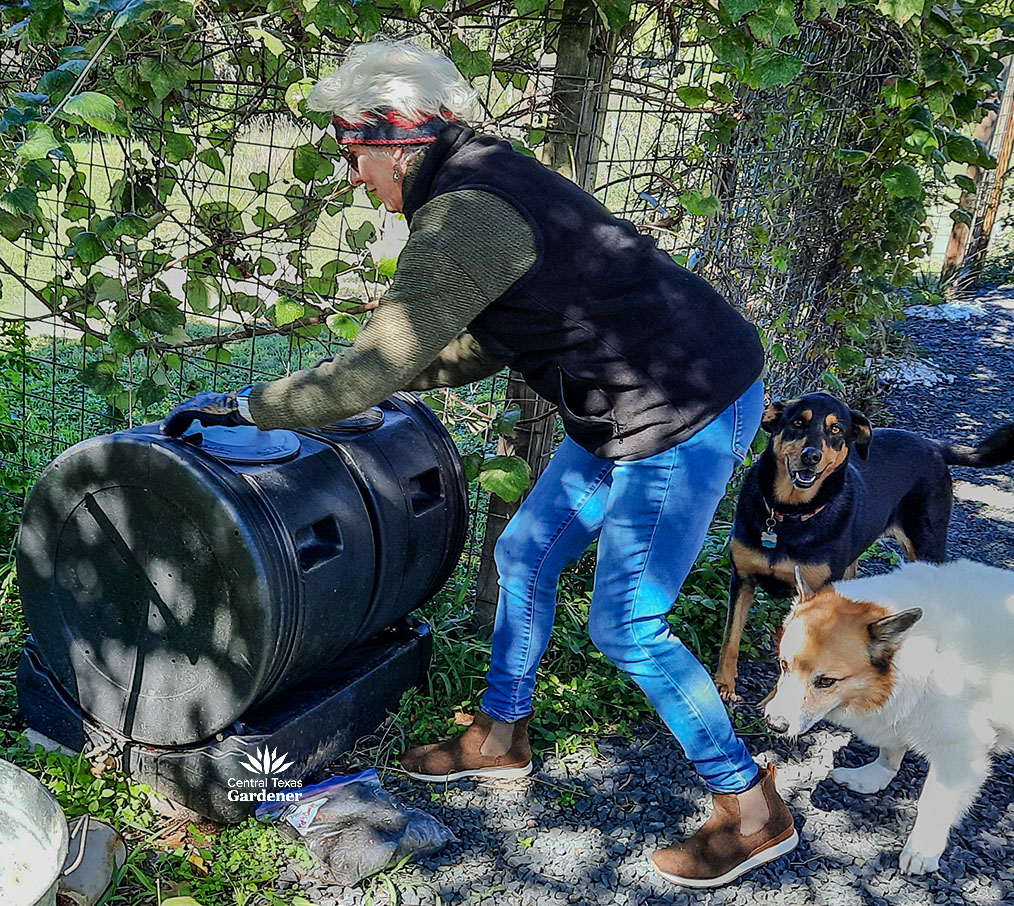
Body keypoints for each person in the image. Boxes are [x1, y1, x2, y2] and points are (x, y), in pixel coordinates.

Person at [162, 40, 796, 888]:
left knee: (627, 625)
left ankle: (751, 806)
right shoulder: (483, 179)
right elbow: (479, 341)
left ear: (397, 142)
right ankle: (501, 737)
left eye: (352, 154)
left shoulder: (463, 216)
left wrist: (252, 408)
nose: (353, 177)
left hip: (681, 408)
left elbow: (373, 368)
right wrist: (387, 371)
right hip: (628, 397)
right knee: (525, 552)